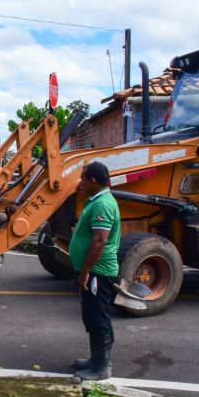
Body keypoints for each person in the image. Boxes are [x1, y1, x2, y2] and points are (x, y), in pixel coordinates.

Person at [69, 161, 120, 381]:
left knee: (97, 316)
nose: (80, 182)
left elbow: (100, 240)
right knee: (93, 315)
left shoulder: (102, 204)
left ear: (93, 181)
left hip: (98, 271)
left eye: (82, 178)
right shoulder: (97, 200)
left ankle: (101, 368)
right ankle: (98, 359)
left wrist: (86, 270)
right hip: (94, 270)